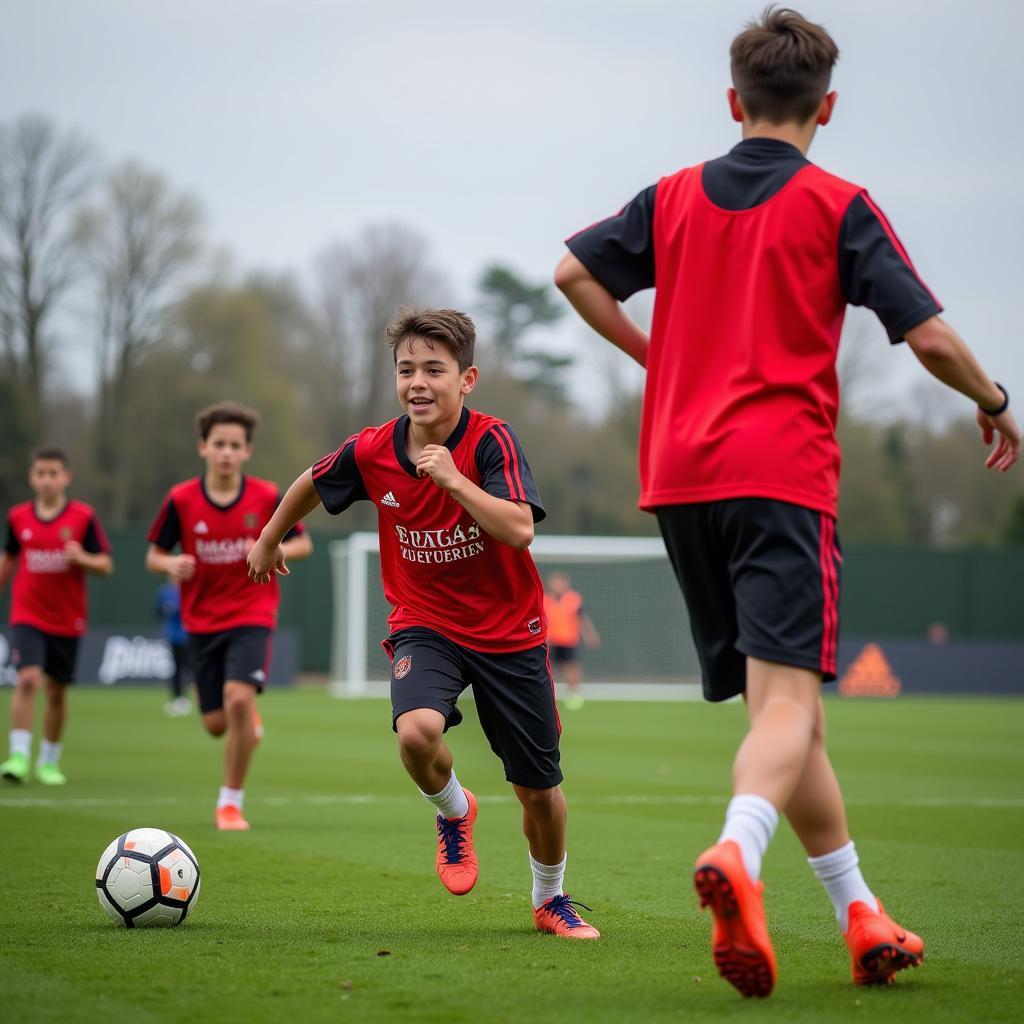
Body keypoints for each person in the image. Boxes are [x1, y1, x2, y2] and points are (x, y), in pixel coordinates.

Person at [555, 6, 1020, 996]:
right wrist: (994, 400)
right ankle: (737, 849)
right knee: (787, 705)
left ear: (733, 102)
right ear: (828, 107)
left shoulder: (672, 196)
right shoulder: (838, 204)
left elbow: (571, 272)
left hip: (678, 483)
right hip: (779, 481)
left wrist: (657, 356)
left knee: (788, 719)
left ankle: (859, 912)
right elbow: (929, 338)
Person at [247, 307, 599, 940]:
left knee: (539, 790)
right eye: (406, 369)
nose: (418, 382)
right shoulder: (374, 448)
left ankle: (551, 897)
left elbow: (519, 528)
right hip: (425, 623)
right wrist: (270, 537)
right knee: (415, 735)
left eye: (434, 369)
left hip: (509, 633)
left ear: (467, 379)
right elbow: (312, 479)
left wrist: (457, 481)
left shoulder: (492, 441)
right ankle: (454, 811)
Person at [145, 402, 313, 830]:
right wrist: (170, 566)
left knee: (238, 699)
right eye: (218, 443)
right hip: (200, 621)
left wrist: (270, 546)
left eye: (234, 445)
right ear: (203, 447)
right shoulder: (181, 500)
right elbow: (153, 555)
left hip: (252, 612)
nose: (226, 452)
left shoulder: (266, 495)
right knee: (216, 724)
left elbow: (302, 545)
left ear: (246, 451)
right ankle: (244, 722)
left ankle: (230, 803)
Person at [0, 447, 114, 785]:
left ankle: (49, 760)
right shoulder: (18, 517)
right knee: (27, 679)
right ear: (32, 477)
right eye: (41, 473)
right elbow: (8, 559)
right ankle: (18, 755)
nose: (47, 480)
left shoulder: (83, 517)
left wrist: (83, 558)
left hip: (67, 619)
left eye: (54, 473)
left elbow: (105, 565)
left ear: (67, 477)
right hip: (27, 614)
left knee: (56, 691)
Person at [544, 571, 600, 710]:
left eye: (560, 581)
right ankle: (549, 694)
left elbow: (583, 619)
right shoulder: (545, 599)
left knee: (572, 668)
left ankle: (574, 695)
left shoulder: (574, 598)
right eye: (555, 581)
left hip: (568, 639)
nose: (558, 585)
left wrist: (590, 635)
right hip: (550, 640)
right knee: (547, 668)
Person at [155, 578, 191, 716]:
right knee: (176, 669)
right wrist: (165, 609)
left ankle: (198, 699)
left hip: (188, 635)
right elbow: (157, 611)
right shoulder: (164, 591)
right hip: (173, 636)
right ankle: (177, 698)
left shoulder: (186, 588)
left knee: (191, 668)